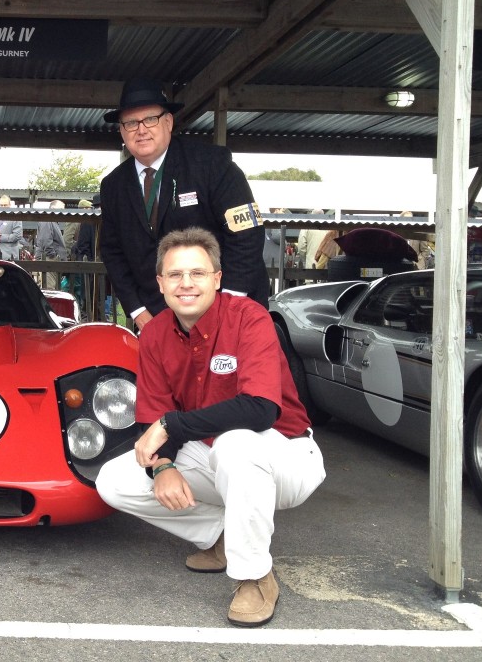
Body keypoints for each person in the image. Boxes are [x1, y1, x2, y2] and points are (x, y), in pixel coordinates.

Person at [96, 227, 325, 627]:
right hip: (213, 453)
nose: (186, 284)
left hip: (285, 453)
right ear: (161, 283)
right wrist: (163, 467)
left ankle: (254, 577)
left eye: (198, 274)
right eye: (175, 275)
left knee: (236, 444)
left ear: (217, 279)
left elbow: (259, 411)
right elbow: (153, 418)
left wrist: (172, 425)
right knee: (115, 480)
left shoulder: (249, 317)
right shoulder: (153, 335)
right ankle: (221, 538)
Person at [99, 78, 269, 332]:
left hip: (228, 313)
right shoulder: (112, 185)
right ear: (122, 131)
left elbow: (247, 235)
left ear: (168, 122)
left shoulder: (213, 165)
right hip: (158, 319)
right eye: (131, 123)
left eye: (150, 119)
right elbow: (112, 252)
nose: (141, 129)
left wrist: (228, 306)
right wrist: (138, 311)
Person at [35, 200, 66, 290]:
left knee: (52, 290)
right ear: (53, 209)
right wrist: (54, 256)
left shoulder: (52, 221)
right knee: (49, 291)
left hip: (50, 261)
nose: (62, 213)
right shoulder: (47, 220)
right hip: (49, 261)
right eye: (61, 209)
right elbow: (46, 241)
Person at [0, 194, 24, 261]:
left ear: (10, 205)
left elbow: (17, 236)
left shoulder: (16, 217)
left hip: (10, 257)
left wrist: (0, 238)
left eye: (5, 205)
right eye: (1, 205)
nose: (3, 207)